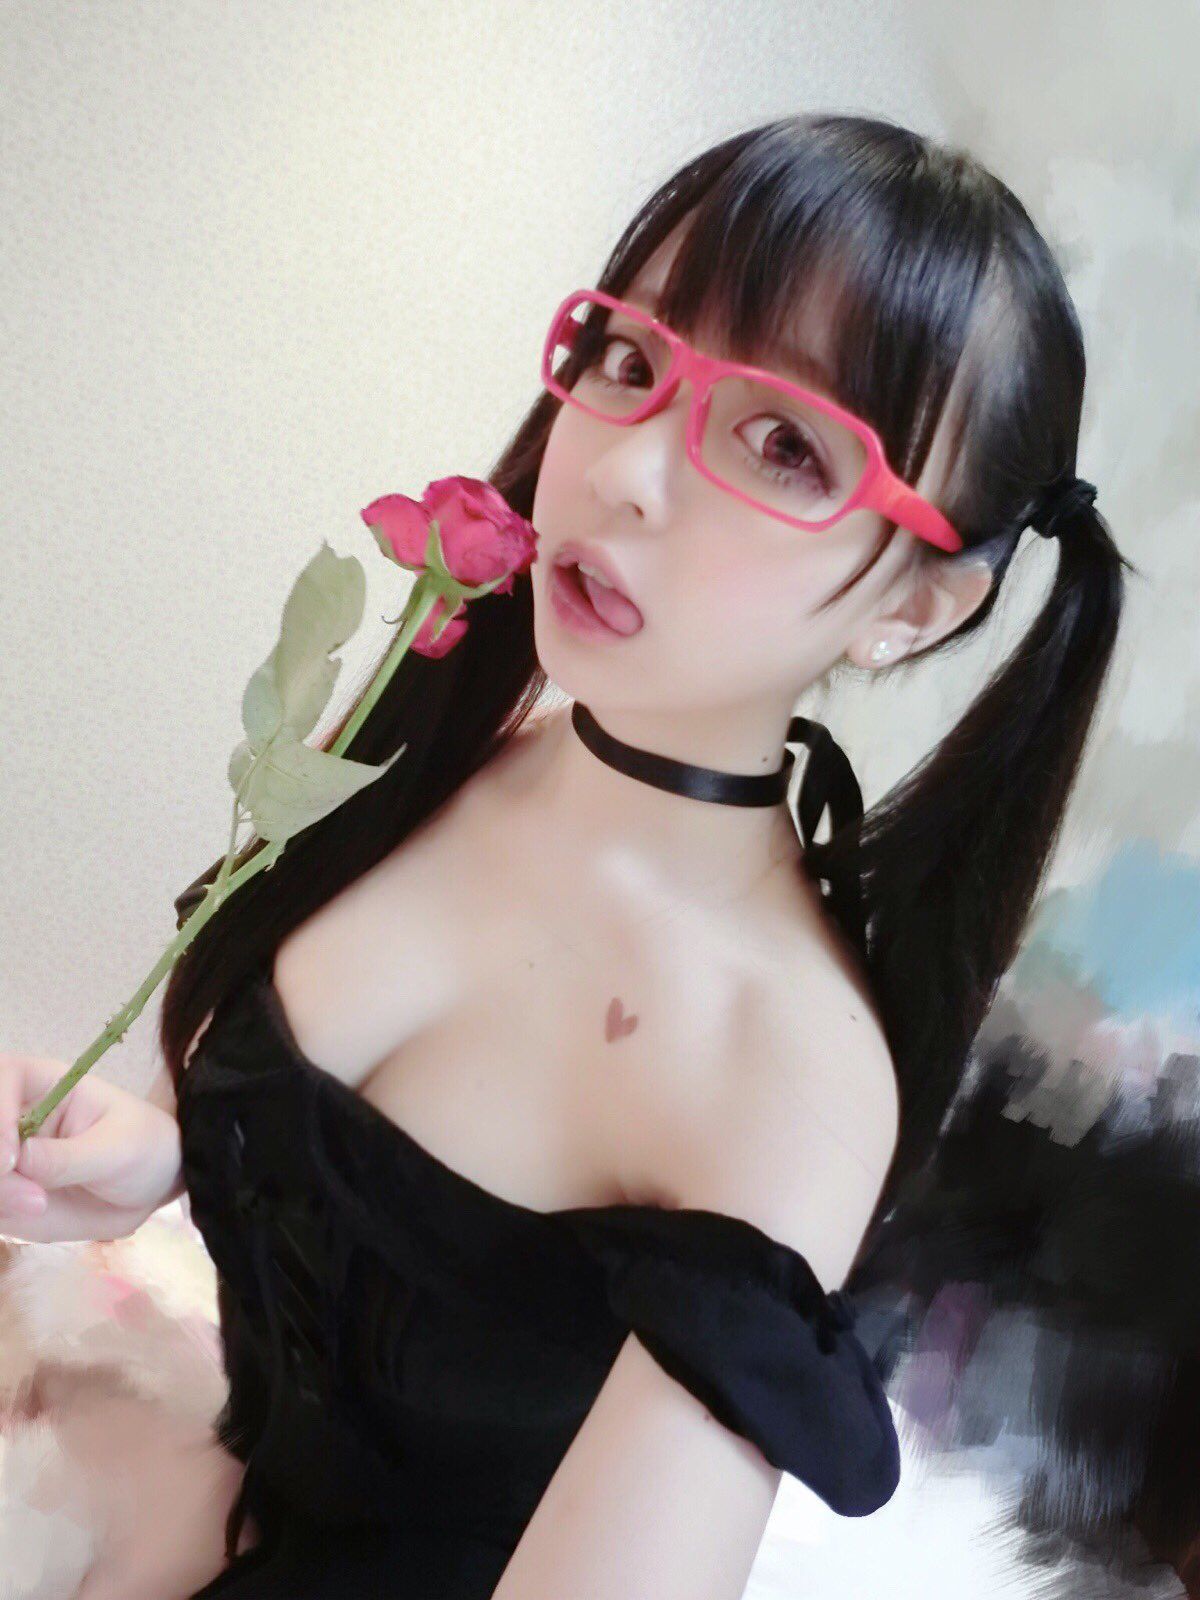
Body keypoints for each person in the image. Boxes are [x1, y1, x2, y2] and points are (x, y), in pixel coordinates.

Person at [0, 110, 1136, 1599]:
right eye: (632, 359)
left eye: (785, 444)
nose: (625, 472)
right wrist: (162, 1160)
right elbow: (342, 1197)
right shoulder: (459, 734)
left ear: (914, 606)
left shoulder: (784, 1074)